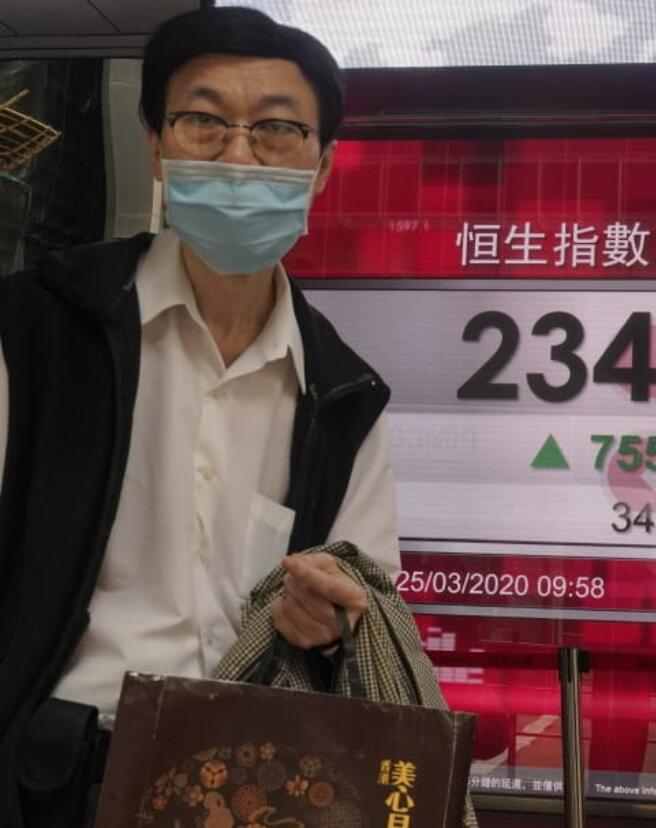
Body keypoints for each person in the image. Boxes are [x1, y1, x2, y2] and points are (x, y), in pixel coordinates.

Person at [0, 8, 412, 824]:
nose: (238, 154)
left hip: (252, 784)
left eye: (276, 130)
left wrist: (324, 622)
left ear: (322, 165)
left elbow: (363, 600)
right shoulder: (36, 331)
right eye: (204, 121)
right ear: (155, 144)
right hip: (50, 779)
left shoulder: (344, 392)